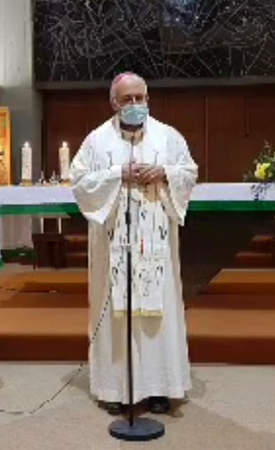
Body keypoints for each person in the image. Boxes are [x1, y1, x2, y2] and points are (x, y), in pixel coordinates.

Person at [70, 71, 198, 416]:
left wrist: (164, 173)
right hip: (113, 240)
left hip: (154, 241)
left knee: (157, 315)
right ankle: (115, 388)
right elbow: (79, 183)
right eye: (127, 99)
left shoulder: (168, 136)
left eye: (140, 97)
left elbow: (189, 171)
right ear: (114, 103)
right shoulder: (96, 141)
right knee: (117, 315)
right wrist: (118, 174)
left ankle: (159, 388)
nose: (136, 104)